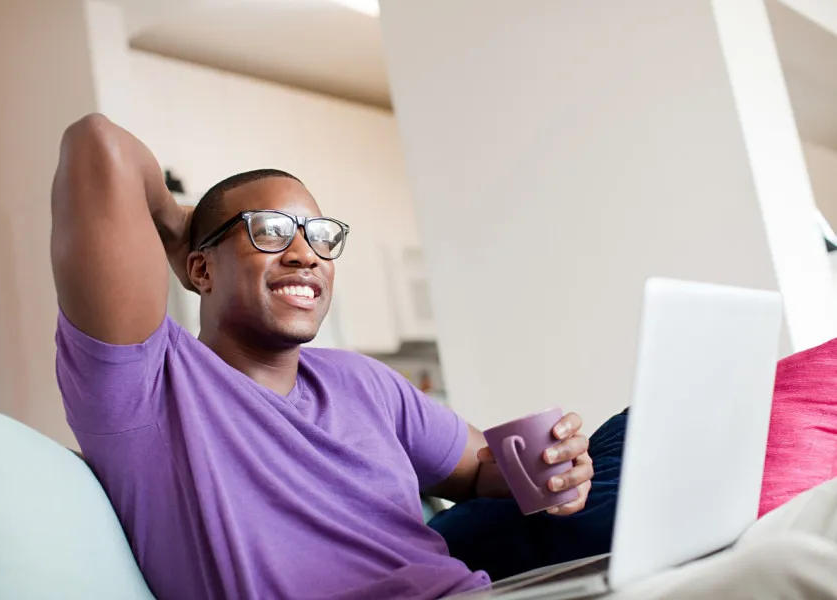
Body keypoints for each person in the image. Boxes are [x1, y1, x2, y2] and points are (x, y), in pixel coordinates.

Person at [50, 114, 594, 600]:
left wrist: (555, 467)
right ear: (201, 270)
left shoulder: (361, 380)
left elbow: (480, 472)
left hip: (471, 587)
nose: (305, 253)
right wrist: (175, 225)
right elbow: (99, 145)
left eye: (319, 236)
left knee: (628, 446)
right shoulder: (148, 383)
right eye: (269, 231)